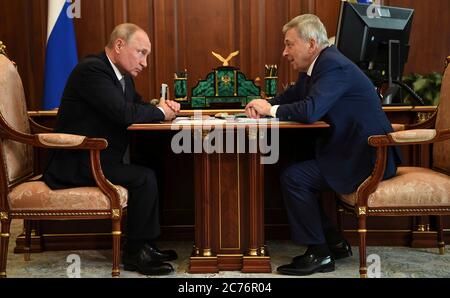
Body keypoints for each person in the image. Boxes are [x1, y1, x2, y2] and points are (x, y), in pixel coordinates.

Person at [245, 14, 401, 276]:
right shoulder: (316, 66)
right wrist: (263, 105)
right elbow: (293, 96)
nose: (284, 52)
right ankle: (334, 243)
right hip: (348, 150)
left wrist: (270, 108)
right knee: (291, 163)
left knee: (295, 178)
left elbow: (310, 111)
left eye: (288, 44)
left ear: (311, 43)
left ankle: (320, 254)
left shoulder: (333, 66)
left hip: (369, 158)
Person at [43, 23, 181, 276]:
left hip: (101, 158)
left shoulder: (121, 76)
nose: (145, 62)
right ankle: (135, 253)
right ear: (119, 45)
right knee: (144, 178)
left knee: (154, 167)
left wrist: (160, 107)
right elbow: (123, 113)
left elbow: (136, 105)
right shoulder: (93, 70)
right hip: (80, 162)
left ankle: (147, 244)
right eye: (141, 52)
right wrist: (161, 112)